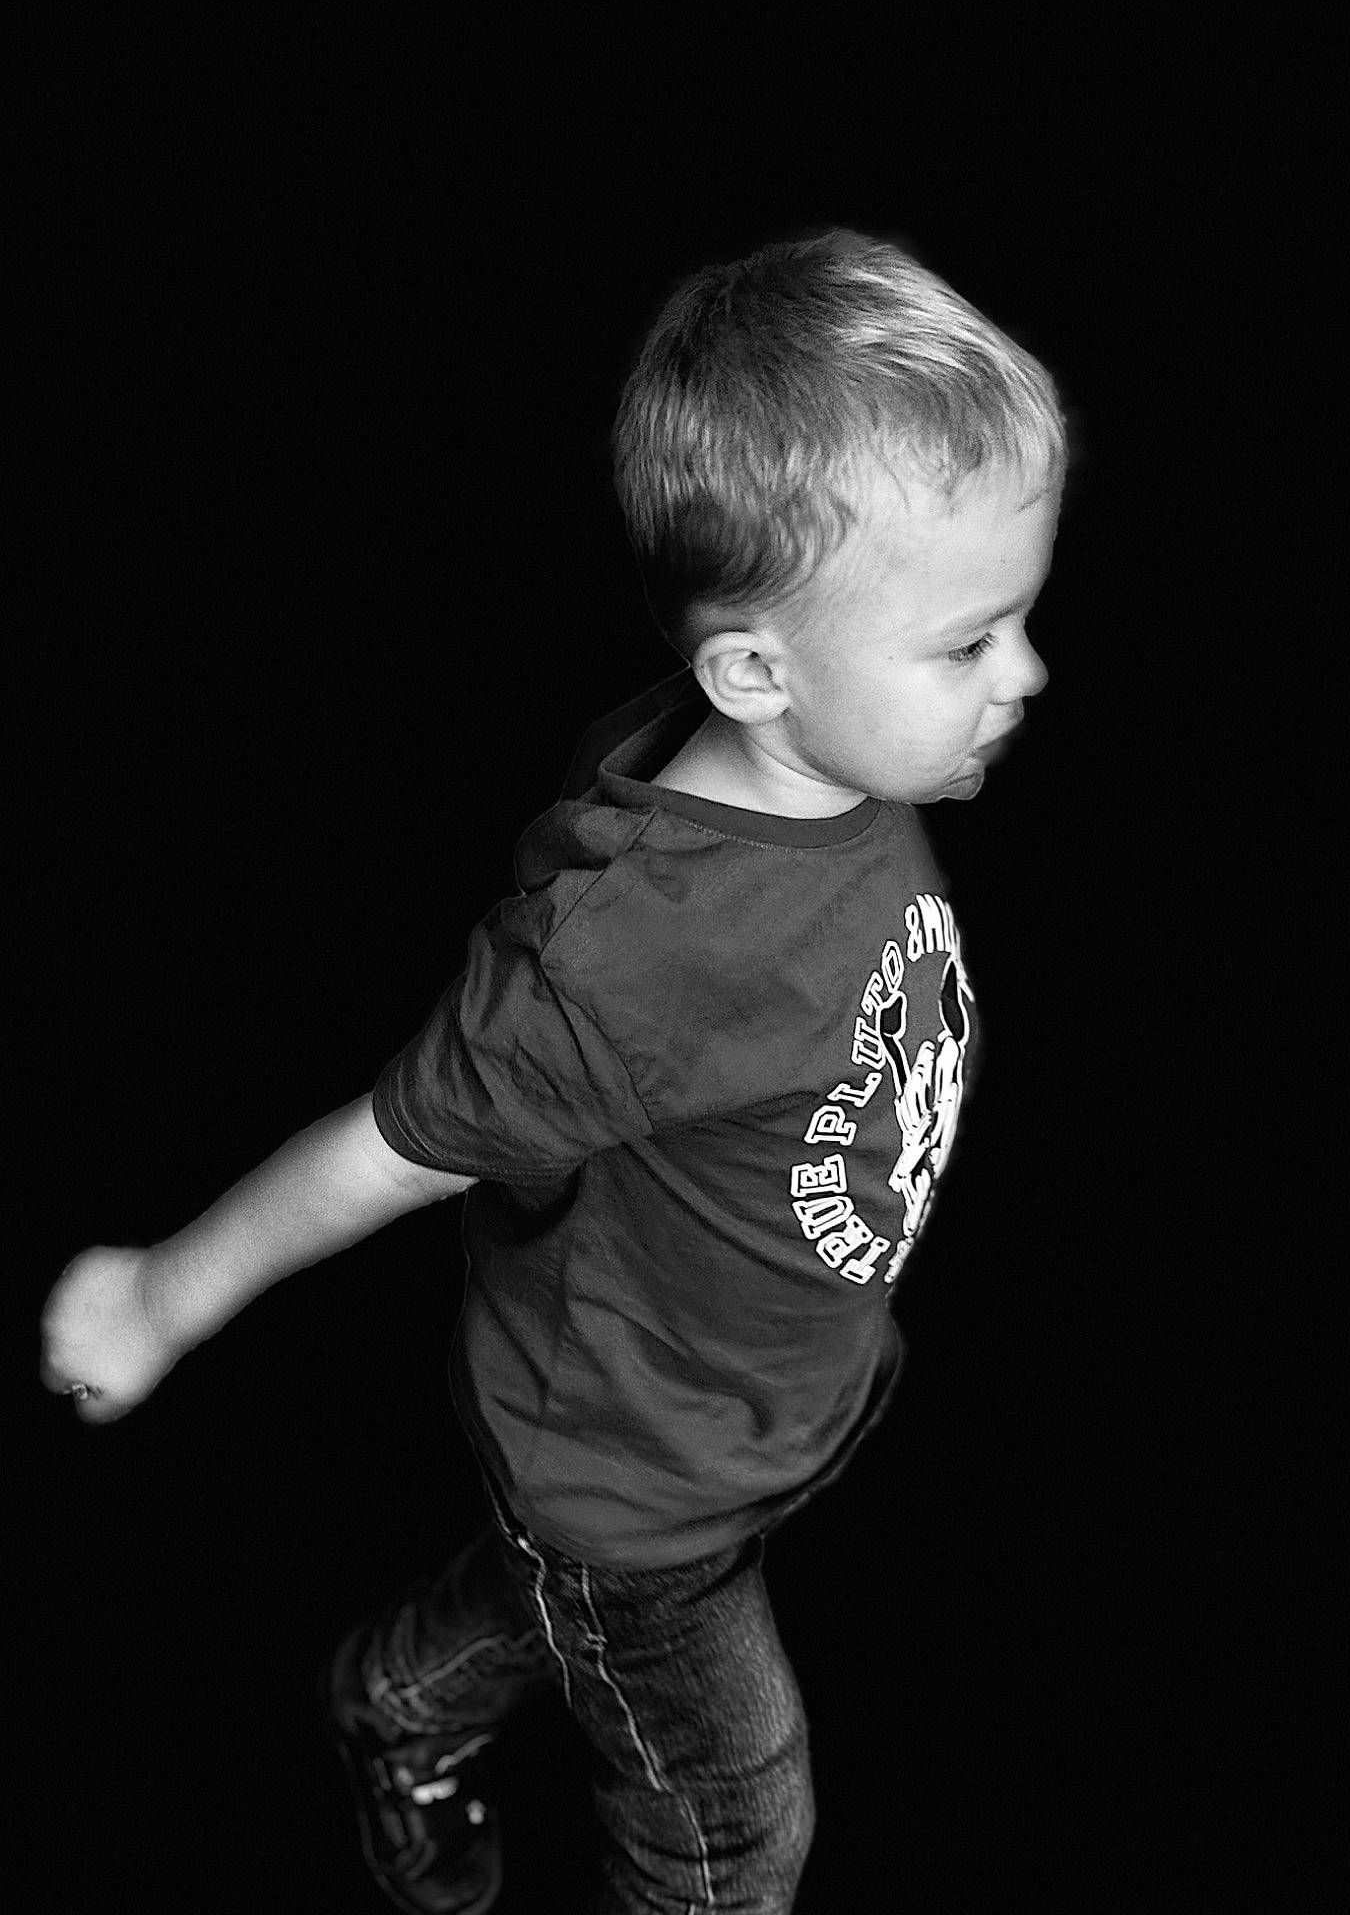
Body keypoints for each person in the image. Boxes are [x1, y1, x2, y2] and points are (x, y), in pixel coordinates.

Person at [39, 227, 1069, 1914]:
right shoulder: (636, 954)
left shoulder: (820, 756)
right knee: (737, 1839)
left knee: (543, 1613)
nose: (1025, 676)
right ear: (757, 675)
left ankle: (397, 1693)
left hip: (767, 1390)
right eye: (969, 644)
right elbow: (392, 1146)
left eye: (1018, 618)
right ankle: (405, 1720)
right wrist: (159, 1300)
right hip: (635, 1481)